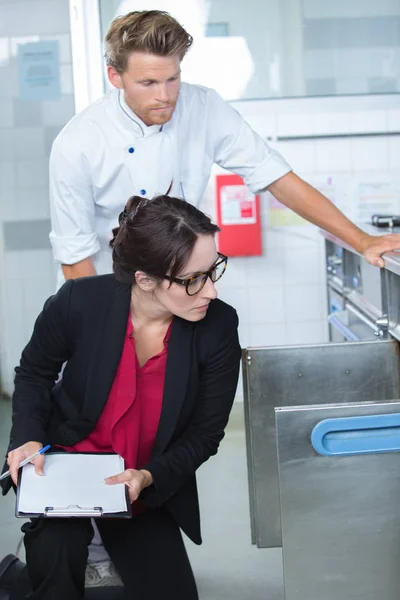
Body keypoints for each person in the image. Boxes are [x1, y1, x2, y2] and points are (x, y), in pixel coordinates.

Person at [49, 10, 400, 290]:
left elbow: (277, 177)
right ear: (115, 76)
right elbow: (75, 254)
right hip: (104, 291)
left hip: (182, 288)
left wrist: (361, 239)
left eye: (173, 78)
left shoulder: (202, 107)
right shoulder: (77, 143)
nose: (165, 95)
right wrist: (104, 332)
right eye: (148, 83)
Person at [0, 195, 241, 600]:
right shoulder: (79, 302)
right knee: (56, 571)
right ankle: (33, 576)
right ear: (145, 279)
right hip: (65, 467)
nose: (211, 292)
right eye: (193, 279)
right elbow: (34, 375)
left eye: (213, 270)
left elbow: (205, 434)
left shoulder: (217, 325)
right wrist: (25, 438)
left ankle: (20, 577)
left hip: (141, 482)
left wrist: (148, 477)